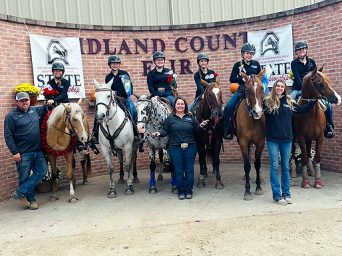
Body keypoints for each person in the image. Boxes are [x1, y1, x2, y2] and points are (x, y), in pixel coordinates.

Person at [263, 79, 316, 205]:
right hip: (273, 140)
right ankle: (277, 195)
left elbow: (302, 110)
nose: (280, 88)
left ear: (284, 88)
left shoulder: (289, 101)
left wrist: (313, 101)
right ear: (274, 87)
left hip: (287, 140)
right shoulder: (267, 102)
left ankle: (286, 194)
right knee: (275, 167)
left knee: (286, 167)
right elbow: (258, 111)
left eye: (282, 86)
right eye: (278, 86)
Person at [152, 97, 208, 200]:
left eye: (182, 104)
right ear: (175, 106)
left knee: (189, 170)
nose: (180, 106)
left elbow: (196, 131)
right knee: (178, 170)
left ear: (185, 106)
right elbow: (165, 131)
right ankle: (181, 191)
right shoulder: (170, 118)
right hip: (175, 148)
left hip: (190, 147)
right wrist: (159, 133)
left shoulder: (190, 117)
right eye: (178, 104)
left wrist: (201, 126)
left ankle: (189, 190)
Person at [4, 92, 48, 210]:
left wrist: (48, 103)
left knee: (42, 171)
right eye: (22, 101)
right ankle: (31, 200)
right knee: (24, 177)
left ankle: (20, 192)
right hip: (23, 154)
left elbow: (45, 108)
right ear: (17, 102)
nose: (25, 103)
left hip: (38, 151)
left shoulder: (34, 110)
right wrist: (14, 152)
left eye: (26, 100)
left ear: (30, 101)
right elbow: (8, 136)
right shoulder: (11, 116)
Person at [90, 55, 143, 151]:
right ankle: (95, 134)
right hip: (113, 100)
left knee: (133, 110)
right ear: (110, 65)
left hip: (124, 98)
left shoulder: (124, 74)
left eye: (117, 63)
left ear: (119, 65)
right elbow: (108, 90)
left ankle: (137, 133)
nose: (115, 65)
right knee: (99, 112)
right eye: (113, 63)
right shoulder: (108, 77)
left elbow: (129, 90)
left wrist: (124, 93)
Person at [290, 41, 335, 138]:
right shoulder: (294, 63)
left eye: (303, 49)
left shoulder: (312, 62)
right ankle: (292, 129)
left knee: (328, 105)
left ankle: (329, 126)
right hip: (298, 88)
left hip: (313, 89)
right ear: (296, 53)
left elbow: (316, 76)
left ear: (306, 50)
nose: (301, 51)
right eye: (299, 50)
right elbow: (297, 78)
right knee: (290, 103)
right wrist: (304, 89)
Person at [223, 43, 261, 139]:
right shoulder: (237, 65)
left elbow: (260, 78)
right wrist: (242, 79)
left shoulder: (256, 65)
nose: (249, 55)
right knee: (228, 107)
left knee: (267, 105)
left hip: (254, 91)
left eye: (251, 54)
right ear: (243, 54)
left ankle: (268, 129)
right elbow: (232, 79)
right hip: (242, 90)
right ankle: (227, 130)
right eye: (247, 53)